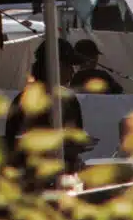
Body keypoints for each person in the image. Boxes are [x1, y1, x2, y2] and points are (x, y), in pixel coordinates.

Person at [5, 40, 86, 183]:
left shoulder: (69, 100)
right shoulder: (25, 102)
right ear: (55, 65)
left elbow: (76, 138)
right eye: (69, 65)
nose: (73, 71)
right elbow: (17, 149)